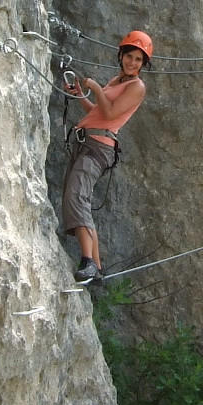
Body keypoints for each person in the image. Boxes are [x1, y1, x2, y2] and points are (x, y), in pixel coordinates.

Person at [60, 31, 151, 283]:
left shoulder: (136, 87)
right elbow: (96, 110)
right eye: (129, 57)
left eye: (138, 60)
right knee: (79, 196)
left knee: (77, 196)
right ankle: (96, 269)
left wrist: (97, 88)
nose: (132, 63)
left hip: (99, 148)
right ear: (121, 55)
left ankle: (88, 262)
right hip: (86, 141)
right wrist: (80, 92)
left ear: (143, 64)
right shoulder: (116, 80)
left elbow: (110, 114)